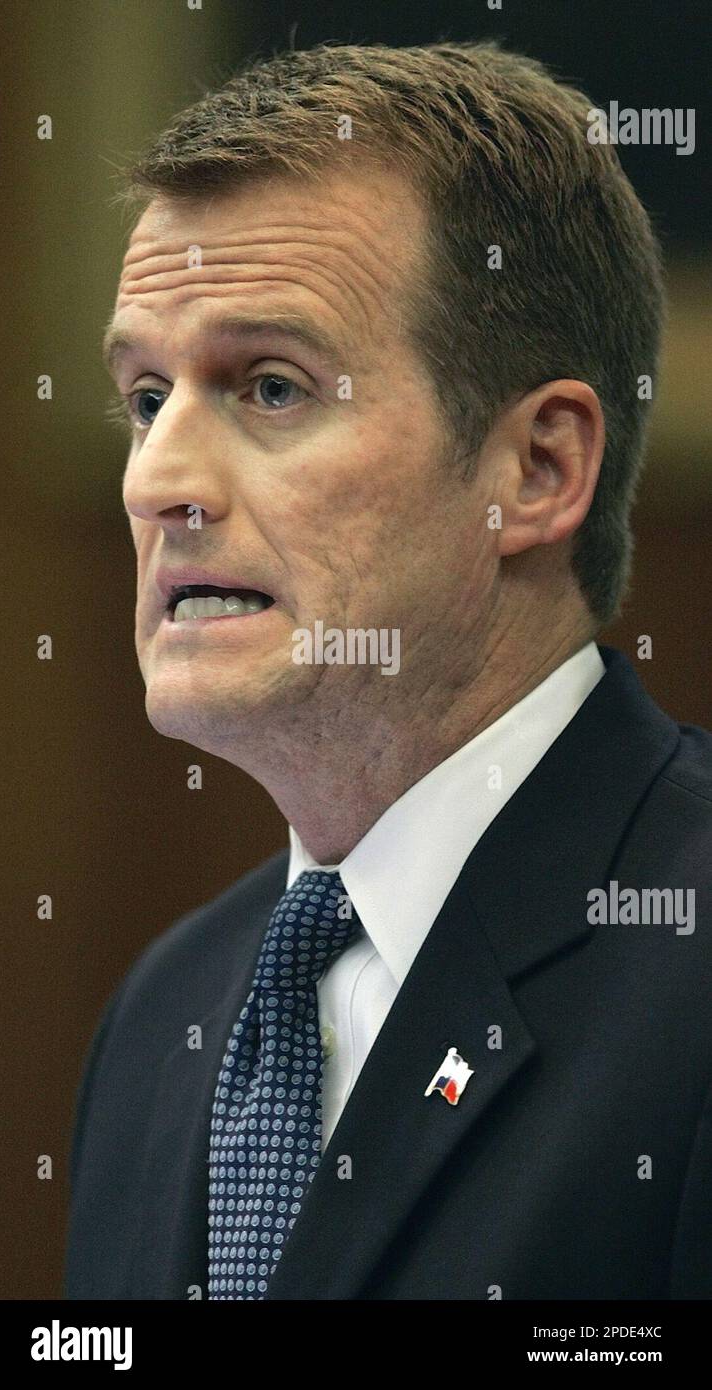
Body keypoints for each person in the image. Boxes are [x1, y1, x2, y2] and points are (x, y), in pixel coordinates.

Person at [65, 41, 711, 1301]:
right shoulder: (160, 1015)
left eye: (270, 387)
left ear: (535, 469)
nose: (158, 482)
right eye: (145, 398)